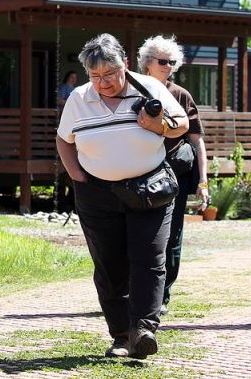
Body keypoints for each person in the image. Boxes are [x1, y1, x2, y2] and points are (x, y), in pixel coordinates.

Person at [56, 33, 189, 359]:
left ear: (124, 66)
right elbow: (64, 140)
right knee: (109, 266)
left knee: (149, 259)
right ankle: (120, 336)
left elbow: (181, 124)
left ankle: (143, 329)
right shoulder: (78, 98)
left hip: (150, 190)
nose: (103, 83)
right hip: (97, 194)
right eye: (95, 76)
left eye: (109, 74)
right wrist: (78, 177)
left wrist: (157, 126)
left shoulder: (149, 88)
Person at [138, 35, 210, 315]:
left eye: (172, 62)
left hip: (172, 175)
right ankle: (135, 290)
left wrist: (203, 181)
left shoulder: (181, 95)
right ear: (147, 63)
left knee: (171, 235)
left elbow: (196, 140)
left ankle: (162, 295)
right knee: (136, 233)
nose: (168, 66)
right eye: (162, 61)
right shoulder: (133, 90)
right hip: (137, 171)